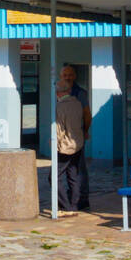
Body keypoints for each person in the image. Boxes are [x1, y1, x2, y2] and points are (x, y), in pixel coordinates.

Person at [62, 64, 93, 210]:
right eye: (65, 75)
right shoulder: (59, 91)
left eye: (70, 74)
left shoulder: (80, 93)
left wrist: (85, 131)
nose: (67, 77)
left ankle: (83, 197)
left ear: (74, 76)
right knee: (69, 168)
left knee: (79, 167)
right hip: (63, 136)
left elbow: (87, 114)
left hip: (76, 136)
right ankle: (73, 196)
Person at [54, 70, 86, 216]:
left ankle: (65, 206)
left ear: (59, 93)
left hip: (65, 146)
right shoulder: (78, 103)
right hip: (78, 143)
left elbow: (59, 129)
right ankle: (74, 204)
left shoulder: (60, 107)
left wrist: (56, 143)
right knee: (73, 175)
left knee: (54, 176)